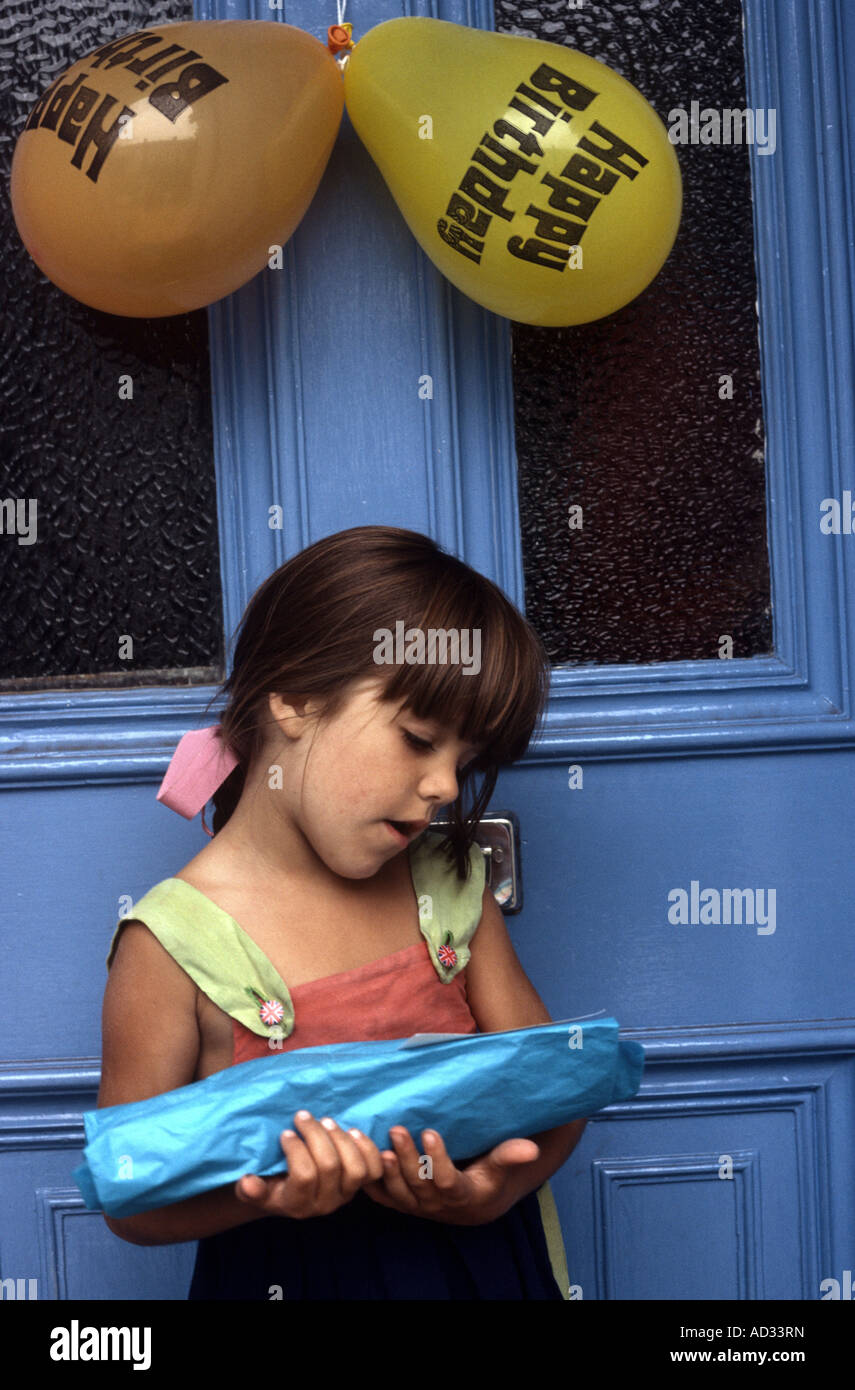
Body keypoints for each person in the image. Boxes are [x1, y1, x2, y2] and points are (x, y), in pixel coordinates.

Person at [99, 525, 586, 1299]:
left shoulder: (448, 890)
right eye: (418, 740)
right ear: (294, 697)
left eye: (464, 762)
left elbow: (558, 1090)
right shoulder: (172, 943)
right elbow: (130, 1197)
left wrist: (488, 1195)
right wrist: (265, 1197)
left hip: (477, 1270)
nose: (443, 789)